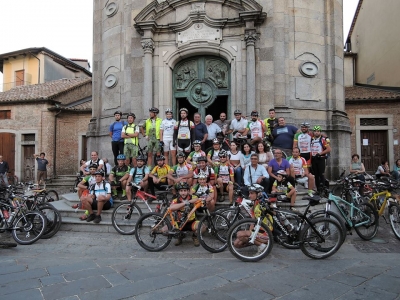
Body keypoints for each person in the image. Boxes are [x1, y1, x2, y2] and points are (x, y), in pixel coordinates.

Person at [232, 184, 272, 256]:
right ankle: (259, 244)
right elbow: (252, 222)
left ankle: (261, 246)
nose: (249, 195)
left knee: (239, 234)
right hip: (257, 233)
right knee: (236, 244)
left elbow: (272, 210)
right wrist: (250, 234)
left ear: (258, 194)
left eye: (252, 193)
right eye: (249, 193)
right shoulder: (254, 205)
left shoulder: (263, 205)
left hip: (266, 234)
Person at [168, 182, 200, 246]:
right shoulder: (175, 200)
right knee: (164, 230)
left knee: (202, 227)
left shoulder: (193, 196)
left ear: (188, 191)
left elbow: (197, 199)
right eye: (181, 191)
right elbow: (171, 207)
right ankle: (180, 236)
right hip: (179, 223)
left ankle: (194, 236)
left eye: (185, 190)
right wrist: (184, 204)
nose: (183, 193)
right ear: (179, 192)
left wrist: (188, 201)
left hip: (191, 222)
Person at [310, 125, 331, 191]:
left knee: (321, 174)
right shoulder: (311, 139)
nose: (316, 132)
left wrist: (320, 154)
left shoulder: (323, 139)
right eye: (315, 131)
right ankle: (318, 189)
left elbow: (329, 149)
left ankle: (324, 188)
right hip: (314, 159)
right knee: (316, 175)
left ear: (320, 132)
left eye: (318, 131)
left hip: (320, 158)